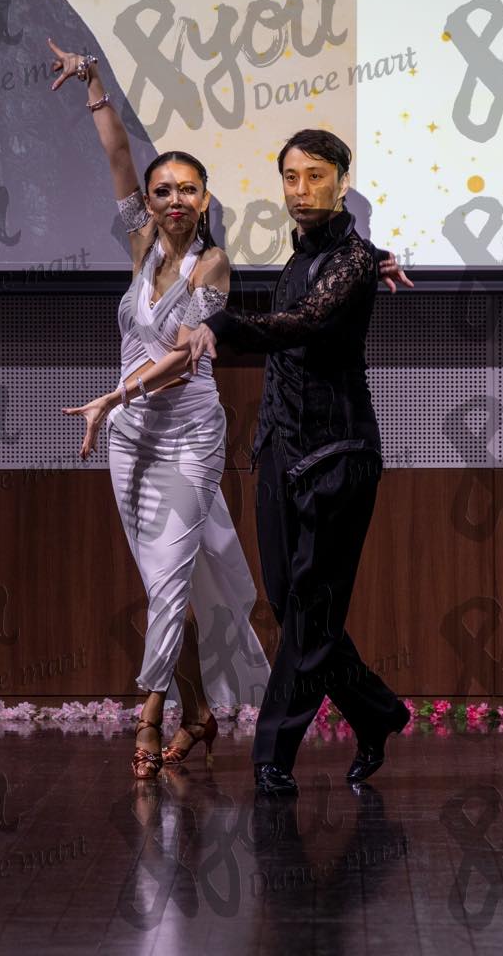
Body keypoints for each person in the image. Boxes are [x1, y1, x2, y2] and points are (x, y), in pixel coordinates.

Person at [47, 39, 270, 780]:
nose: (175, 199)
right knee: (163, 585)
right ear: (149, 202)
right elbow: (117, 155)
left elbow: (181, 361)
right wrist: (92, 82)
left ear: (204, 201)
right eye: (163, 190)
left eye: (188, 190)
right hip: (130, 438)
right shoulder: (141, 247)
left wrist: (114, 394)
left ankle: (147, 718)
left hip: (189, 433)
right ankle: (199, 713)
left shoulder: (214, 265)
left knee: (172, 579)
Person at [175, 129, 414, 795]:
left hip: (339, 454)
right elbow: (299, 317)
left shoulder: (354, 259)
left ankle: (271, 754)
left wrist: (221, 323)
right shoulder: (303, 259)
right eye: (290, 177)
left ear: (342, 180)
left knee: (309, 610)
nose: (301, 190)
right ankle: (377, 711)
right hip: (281, 453)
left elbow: (304, 323)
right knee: (292, 605)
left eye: (315, 176)